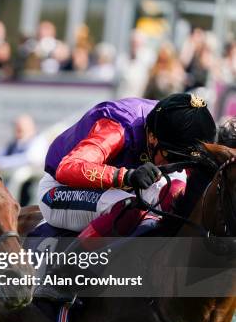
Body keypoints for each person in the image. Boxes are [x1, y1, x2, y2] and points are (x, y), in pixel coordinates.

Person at [38, 93, 216, 238]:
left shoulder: (172, 124)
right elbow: (68, 168)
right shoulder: (117, 127)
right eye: (173, 157)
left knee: (175, 193)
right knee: (130, 208)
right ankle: (69, 269)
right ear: (153, 137)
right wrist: (126, 176)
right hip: (61, 189)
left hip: (118, 188)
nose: (177, 167)